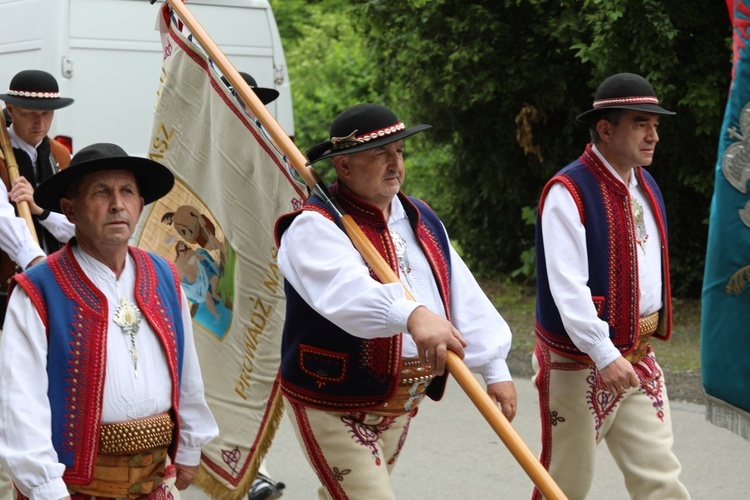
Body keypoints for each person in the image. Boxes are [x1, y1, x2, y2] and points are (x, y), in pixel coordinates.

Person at [275, 103, 517, 499]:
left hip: (401, 401)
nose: (394, 164)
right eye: (379, 154)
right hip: (332, 401)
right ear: (344, 167)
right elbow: (346, 292)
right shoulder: (314, 225)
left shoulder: (419, 215)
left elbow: (460, 290)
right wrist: (413, 314)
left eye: (399, 152)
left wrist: (495, 366)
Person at [0, 143, 219, 499]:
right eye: (102, 192)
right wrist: (46, 489)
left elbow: (187, 369)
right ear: (70, 210)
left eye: (127, 192)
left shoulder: (163, 275)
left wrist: (191, 445)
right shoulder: (39, 290)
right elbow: (20, 404)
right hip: (71, 488)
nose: (118, 204)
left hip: (155, 481)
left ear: (139, 205)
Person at [532, 73, 690, 499]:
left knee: (660, 478)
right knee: (565, 483)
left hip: (638, 354)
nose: (653, 135)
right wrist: (603, 353)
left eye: (655, 125)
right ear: (605, 129)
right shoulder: (569, 191)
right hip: (580, 363)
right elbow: (566, 289)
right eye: (641, 123)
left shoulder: (645, 183)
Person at [220, 70, 287, 500]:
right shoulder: (207, 154)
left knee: (255, 378)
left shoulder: (275, 153)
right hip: (217, 284)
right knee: (220, 376)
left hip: (266, 283)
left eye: (252, 102)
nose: (247, 111)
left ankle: (253, 469)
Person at [0, 69, 77, 324]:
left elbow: (79, 226)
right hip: (10, 289)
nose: (40, 123)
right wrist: (40, 268)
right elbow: (4, 221)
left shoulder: (61, 155)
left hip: (59, 285)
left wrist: (40, 210)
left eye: (47, 114)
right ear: (10, 110)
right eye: (31, 114)